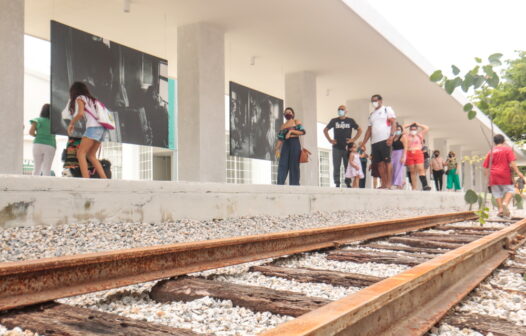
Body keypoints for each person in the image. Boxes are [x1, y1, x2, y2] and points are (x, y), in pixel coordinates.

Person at [66, 82, 108, 179]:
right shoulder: (93, 100)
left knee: (81, 154)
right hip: (103, 129)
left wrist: (71, 123)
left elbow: (80, 113)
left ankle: (86, 179)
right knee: (91, 155)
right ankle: (105, 179)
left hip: (93, 128)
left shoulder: (80, 98)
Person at [483, 134, 525, 218]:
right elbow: (512, 163)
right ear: (504, 141)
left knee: (497, 193)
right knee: (510, 189)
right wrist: (518, 172)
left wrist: (488, 177)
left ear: (494, 142)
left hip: (493, 175)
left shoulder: (490, 151)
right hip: (505, 174)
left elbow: (485, 166)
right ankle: (505, 203)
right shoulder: (507, 150)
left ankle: (501, 210)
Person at [360, 94, 396, 189]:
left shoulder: (386, 109)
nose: (374, 102)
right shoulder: (372, 115)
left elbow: (393, 123)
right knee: (379, 163)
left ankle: (389, 183)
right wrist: (363, 142)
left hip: (385, 139)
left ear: (381, 101)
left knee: (387, 162)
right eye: (372, 101)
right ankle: (383, 184)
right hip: (375, 142)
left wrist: (391, 137)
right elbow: (369, 130)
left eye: (375, 100)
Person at [324, 105, 362, 187]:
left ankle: (348, 182)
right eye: (339, 109)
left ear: (346, 111)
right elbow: (325, 130)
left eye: (342, 109)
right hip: (336, 147)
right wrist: (330, 140)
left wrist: (353, 139)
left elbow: (360, 130)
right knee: (336, 166)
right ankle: (337, 183)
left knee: (347, 166)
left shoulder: (350, 121)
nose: (340, 111)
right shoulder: (334, 121)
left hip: (347, 148)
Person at [275, 107, 305, 185]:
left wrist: (291, 131)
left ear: (293, 114)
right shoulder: (283, 126)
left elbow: (302, 132)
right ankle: (280, 184)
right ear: (284, 115)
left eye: (289, 112)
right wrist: (276, 149)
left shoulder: (296, 121)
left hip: (294, 143)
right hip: (285, 144)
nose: (288, 113)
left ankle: (295, 185)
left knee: (294, 165)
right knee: (282, 164)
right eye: (286, 112)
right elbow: (280, 139)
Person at [29, 104, 56, 176]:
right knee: (47, 169)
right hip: (50, 145)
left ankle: (33, 185)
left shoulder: (37, 120)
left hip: (38, 144)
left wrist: (38, 136)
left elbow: (31, 132)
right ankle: (46, 187)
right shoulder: (54, 122)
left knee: (36, 168)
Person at [404, 122, 431, 191]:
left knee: (420, 169)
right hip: (409, 153)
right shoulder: (407, 135)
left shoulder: (419, 135)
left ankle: (425, 185)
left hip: (418, 153)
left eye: (415, 129)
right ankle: (414, 187)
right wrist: (410, 124)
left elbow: (426, 128)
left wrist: (418, 124)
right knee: (412, 171)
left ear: (417, 129)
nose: (413, 130)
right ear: (410, 129)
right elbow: (402, 127)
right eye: (412, 129)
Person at [391, 123, 407, 189]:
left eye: (399, 129)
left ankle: (399, 184)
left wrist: (403, 157)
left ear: (401, 130)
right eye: (397, 129)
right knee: (393, 169)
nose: (398, 130)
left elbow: (405, 147)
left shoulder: (403, 137)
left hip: (400, 153)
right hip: (393, 154)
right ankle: (401, 182)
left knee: (399, 169)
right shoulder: (394, 137)